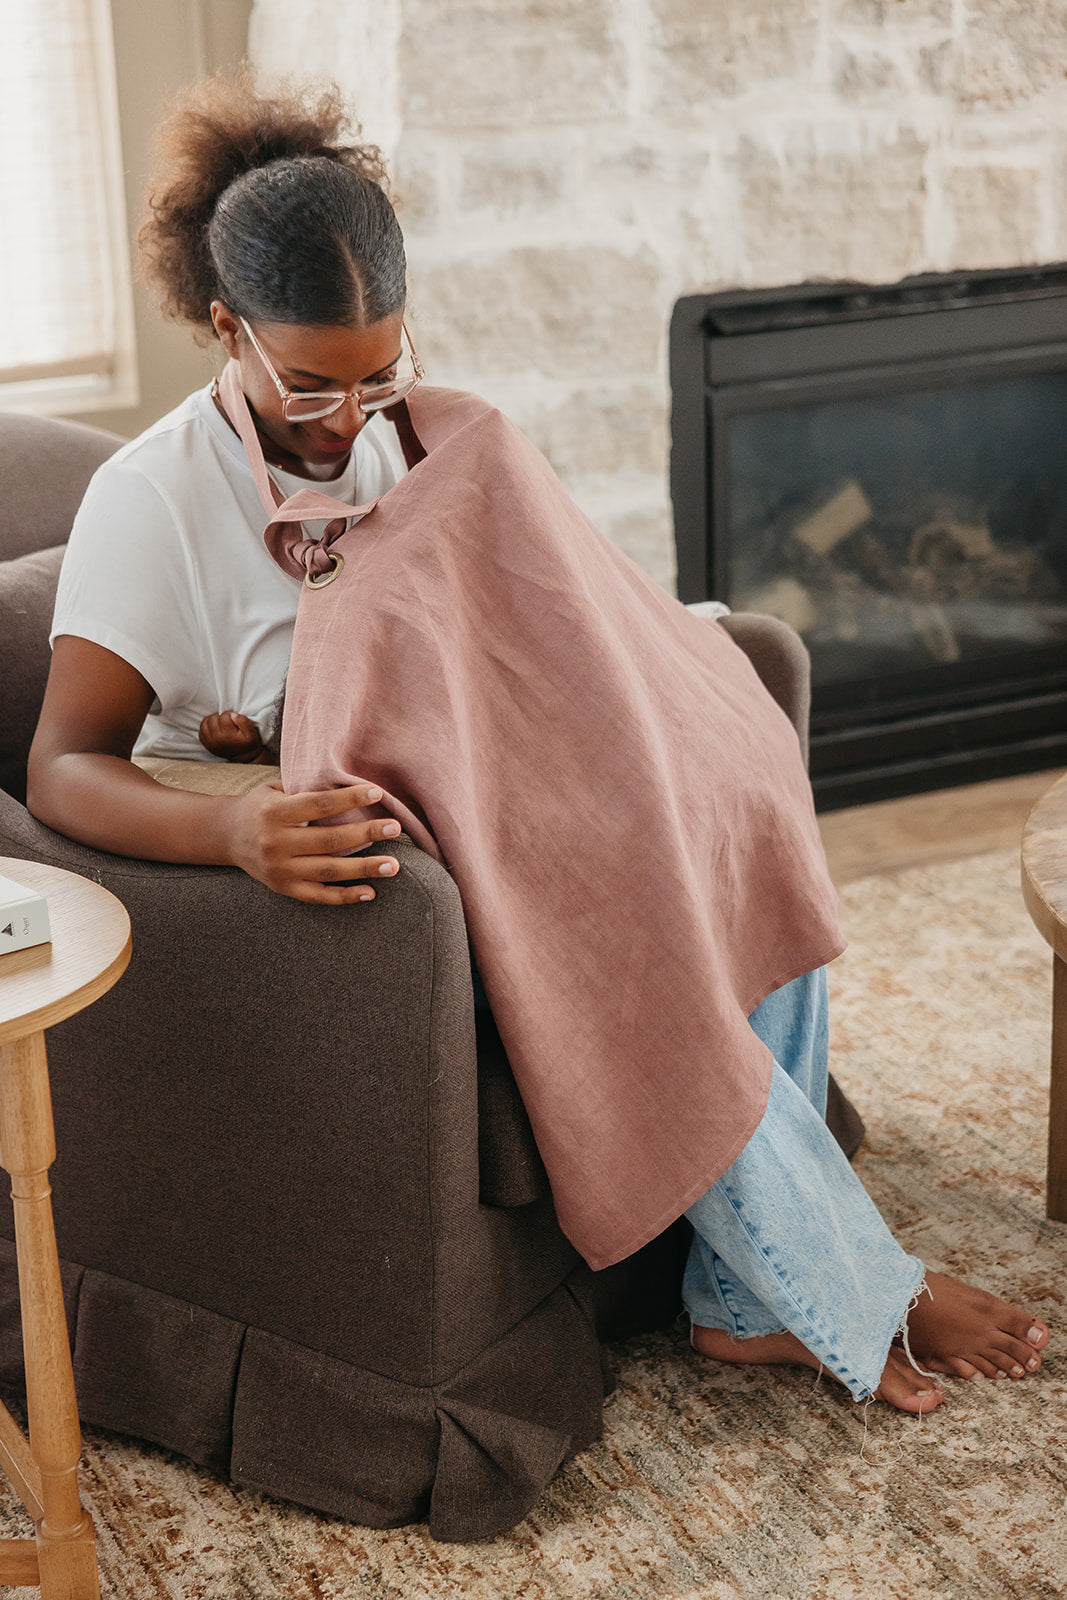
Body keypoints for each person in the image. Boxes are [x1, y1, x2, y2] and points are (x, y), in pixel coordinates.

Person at [27, 70, 1050, 1421]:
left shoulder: (423, 437)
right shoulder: (150, 504)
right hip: (366, 843)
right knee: (634, 897)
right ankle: (846, 1282)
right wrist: (230, 829)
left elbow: (520, 621)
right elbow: (61, 768)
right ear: (225, 327)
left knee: (733, 768)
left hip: (495, 773)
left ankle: (746, 1296)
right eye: (309, 383)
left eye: (380, 370)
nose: (349, 416)